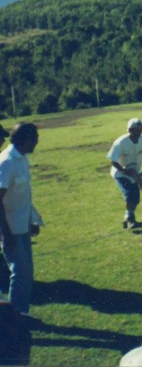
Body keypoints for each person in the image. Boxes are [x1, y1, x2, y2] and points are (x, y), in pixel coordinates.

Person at [0, 123, 43, 316]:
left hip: (22, 226)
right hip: (10, 230)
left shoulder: (21, 159)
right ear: (25, 140)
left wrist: (32, 220)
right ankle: (15, 318)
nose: (37, 141)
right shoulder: (7, 162)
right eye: (35, 138)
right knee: (20, 273)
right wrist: (5, 233)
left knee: (26, 274)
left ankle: (21, 314)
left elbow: (22, 195)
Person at [107, 118, 142, 230]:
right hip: (120, 173)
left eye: (141, 129)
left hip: (134, 173)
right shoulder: (120, 142)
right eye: (137, 130)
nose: (139, 132)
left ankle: (128, 217)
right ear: (129, 130)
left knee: (135, 197)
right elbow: (112, 160)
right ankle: (130, 220)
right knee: (130, 194)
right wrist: (123, 170)